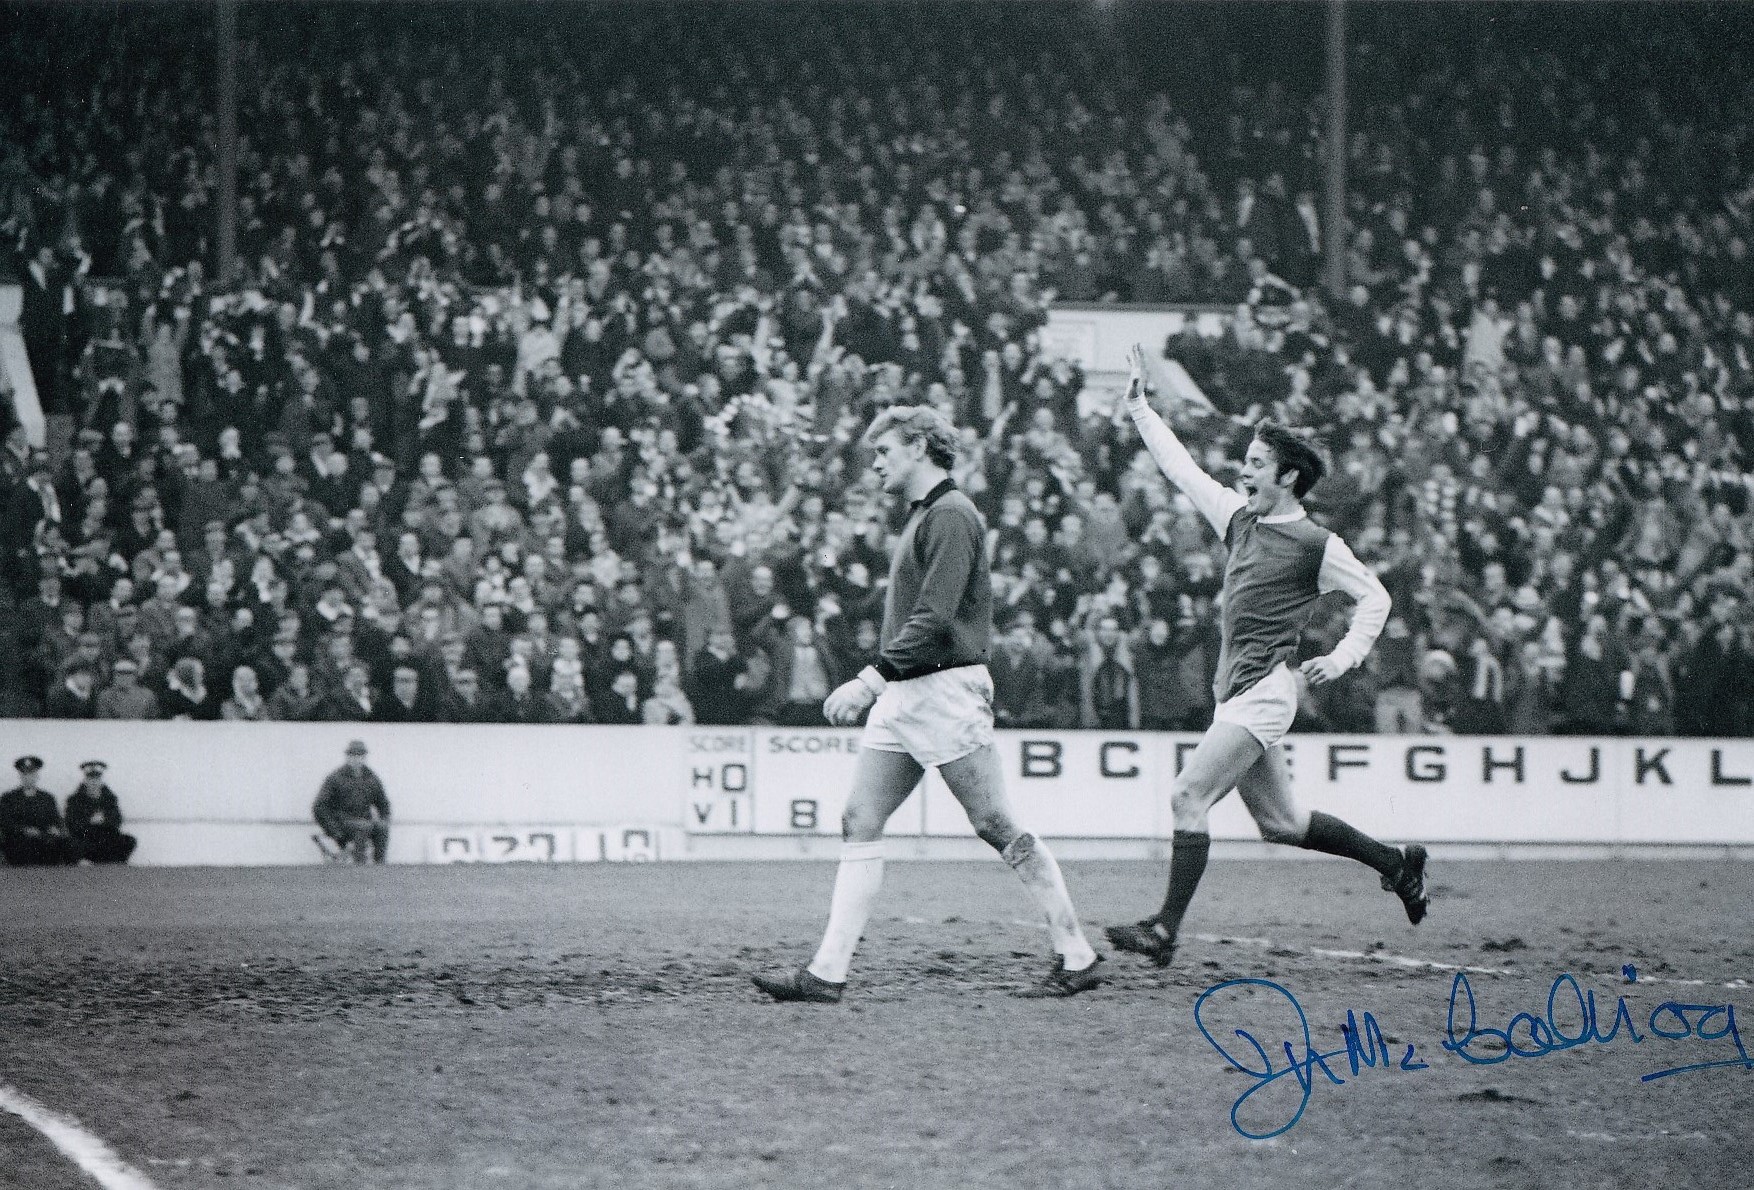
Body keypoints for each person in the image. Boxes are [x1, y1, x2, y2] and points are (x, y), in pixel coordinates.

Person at [753, 405, 1102, 1003]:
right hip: (908, 689)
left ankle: (1077, 953)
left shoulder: (952, 514)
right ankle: (826, 974)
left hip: (942, 689)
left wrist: (869, 678)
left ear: (918, 446)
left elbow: (936, 617)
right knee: (859, 820)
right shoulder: (926, 516)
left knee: (994, 824)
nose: (876, 464)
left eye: (884, 452)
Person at [1104, 344, 1427, 969]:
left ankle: (1165, 930)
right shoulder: (1238, 520)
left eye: (1254, 464)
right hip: (1240, 692)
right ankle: (1397, 863)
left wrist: (1343, 657)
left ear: (1286, 477)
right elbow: (1183, 471)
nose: (1241, 471)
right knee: (1282, 823)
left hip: (1264, 694)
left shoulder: (1315, 543)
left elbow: (1376, 598)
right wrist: (1141, 410)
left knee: (1186, 797)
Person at [312, 740, 391, 864]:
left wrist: (384, 819)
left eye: (360, 756)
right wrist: (334, 831)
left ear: (364, 757)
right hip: (342, 822)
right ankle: (359, 866)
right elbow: (319, 807)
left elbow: (383, 803)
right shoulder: (335, 778)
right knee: (363, 826)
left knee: (381, 827)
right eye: (353, 755)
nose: (357, 759)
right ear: (348, 757)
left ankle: (380, 867)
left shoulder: (371, 778)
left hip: (365, 821)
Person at [1, 756, 81, 866]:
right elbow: (6, 822)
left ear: (37, 775)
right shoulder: (8, 798)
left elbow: (56, 819)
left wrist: (56, 828)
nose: (28, 777)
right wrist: (24, 830)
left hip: (43, 840)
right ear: (20, 775)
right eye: (25, 774)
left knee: (66, 842)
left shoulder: (47, 798)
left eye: (32, 774)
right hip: (20, 842)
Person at [64, 760, 137, 863]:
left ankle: (114, 864)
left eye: (97, 779)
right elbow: (71, 823)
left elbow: (117, 821)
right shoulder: (74, 800)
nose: (94, 782)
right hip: (86, 839)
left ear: (101, 780)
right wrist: (89, 821)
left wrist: (104, 820)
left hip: (106, 839)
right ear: (85, 781)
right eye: (90, 779)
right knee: (71, 844)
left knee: (129, 840)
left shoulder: (110, 799)